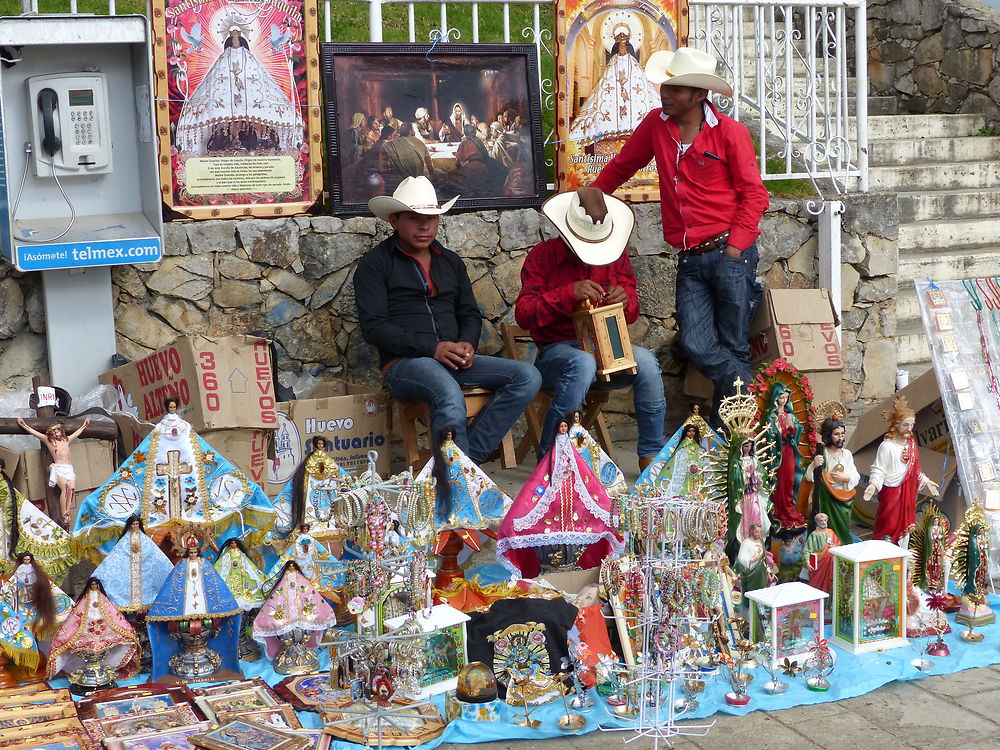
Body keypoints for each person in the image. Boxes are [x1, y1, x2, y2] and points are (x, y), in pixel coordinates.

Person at [575, 47, 770, 426]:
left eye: (677, 88)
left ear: (699, 95)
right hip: (691, 256)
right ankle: (752, 400)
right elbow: (622, 164)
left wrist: (734, 249)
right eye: (666, 84)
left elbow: (755, 195)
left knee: (733, 346)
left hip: (730, 251)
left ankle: (727, 437)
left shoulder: (731, 133)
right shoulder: (655, 124)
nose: (665, 92)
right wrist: (594, 190)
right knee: (696, 344)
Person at [354, 176, 541, 464]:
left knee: (527, 377)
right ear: (394, 221)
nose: (425, 225)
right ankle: (458, 482)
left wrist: (466, 343)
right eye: (415, 218)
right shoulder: (375, 264)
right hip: (406, 365)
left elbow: (468, 312)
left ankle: (464, 467)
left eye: (431, 218)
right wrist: (433, 348)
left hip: (456, 360)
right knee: (447, 391)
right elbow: (374, 328)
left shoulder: (450, 261)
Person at [515, 191, 666, 464]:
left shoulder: (615, 256)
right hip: (556, 355)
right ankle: (552, 459)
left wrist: (625, 300)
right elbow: (524, 314)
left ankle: (651, 455)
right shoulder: (542, 256)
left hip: (607, 353)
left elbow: (631, 313)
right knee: (582, 362)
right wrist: (567, 294)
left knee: (647, 362)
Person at [497, 415, 624, 578]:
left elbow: (582, 474)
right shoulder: (553, 452)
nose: (563, 429)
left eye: (566, 427)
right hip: (553, 496)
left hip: (573, 497)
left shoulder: (571, 450)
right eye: (561, 427)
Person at [863, 397, 939, 544]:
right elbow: (879, 468)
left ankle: (901, 554)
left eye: (911, 425)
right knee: (888, 524)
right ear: (896, 424)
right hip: (891, 492)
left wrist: (927, 481)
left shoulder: (911, 443)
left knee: (905, 527)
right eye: (905, 425)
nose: (909, 429)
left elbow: (915, 469)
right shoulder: (887, 446)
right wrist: (873, 485)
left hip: (908, 491)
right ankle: (884, 551)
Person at [568, 24, 660, 145]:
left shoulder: (633, 63)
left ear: (628, 48)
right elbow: (607, 79)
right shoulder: (613, 63)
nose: (622, 49)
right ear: (617, 47)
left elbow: (639, 80)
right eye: (620, 46)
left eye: (624, 46)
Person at [16, 418, 89, 526]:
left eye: (57, 430)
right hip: (59, 467)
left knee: (72, 488)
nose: (55, 432)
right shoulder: (49, 441)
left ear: (61, 431)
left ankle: (67, 512)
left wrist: (84, 425)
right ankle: (64, 514)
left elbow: (77, 433)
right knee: (65, 487)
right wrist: (23, 425)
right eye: (53, 432)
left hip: (68, 467)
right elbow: (35, 433)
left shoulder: (66, 440)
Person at [804, 414, 860, 547]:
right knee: (825, 527)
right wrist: (814, 465)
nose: (841, 437)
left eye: (842, 433)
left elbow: (855, 475)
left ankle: (843, 548)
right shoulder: (822, 453)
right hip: (826, 498)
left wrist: (847, 478)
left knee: (843, 527)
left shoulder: (846, 454)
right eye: (836, 434)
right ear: (828, 435)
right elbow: (809, 478)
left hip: (843, 497)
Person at [763, 384, 806, 532]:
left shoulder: (791, 416)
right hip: (777, 454)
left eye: (786, 397)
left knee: (790, 480)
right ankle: (779, 511)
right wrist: (783, 430)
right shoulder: (772, 417)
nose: (784, 399)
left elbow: (797, 432)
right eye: (781, 397)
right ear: (776, 398)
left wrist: (792, 428)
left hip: (789, 451)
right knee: (779, 482)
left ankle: (789, 508)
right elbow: (770, 435)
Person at [378, 122, 434, 193]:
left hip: (396, 186)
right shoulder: (420, 143)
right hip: (418, 183)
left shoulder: (389, 146)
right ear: (411, 131)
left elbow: (382, 169)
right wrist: (433, 176)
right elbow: (430, 166)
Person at [803, 513, 840, 594]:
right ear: (817, 522)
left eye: (825, 520)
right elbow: (806, 550)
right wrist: (807, 562)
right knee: (816, 584)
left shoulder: (830, 532)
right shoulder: (814, 535)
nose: (823, 522)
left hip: (830, 564)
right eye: (821, 521)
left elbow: (838, 543)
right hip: (819, 564)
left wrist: (835, 546)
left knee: (830, 583)